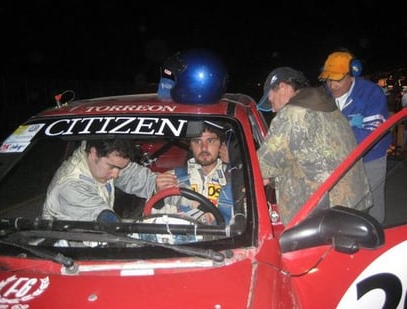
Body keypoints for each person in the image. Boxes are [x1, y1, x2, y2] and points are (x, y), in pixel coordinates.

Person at [257, 67, 372, 226]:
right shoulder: (328, 108)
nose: (273, 109)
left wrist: (234, 161)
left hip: (326, 219)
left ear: (283, 88)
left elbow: (261, 167)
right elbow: (311, 159)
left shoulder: (294, 114)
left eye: (271, 101)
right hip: (355, 205)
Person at [319, 50, 392, 223]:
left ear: (352, 73)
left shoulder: (371, 93)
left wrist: (333, 142)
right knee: (345, 203)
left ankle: (375, 240)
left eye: (337, 79)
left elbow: (371, 135)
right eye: (329, 79)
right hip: (340, 160)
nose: (332, 85)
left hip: (370, 158)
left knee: (372, 204)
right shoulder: (324, 95)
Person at [42, 139, 177, 221]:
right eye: (112, 167)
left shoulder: (104, 159)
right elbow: (107, 223)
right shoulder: (71, 186)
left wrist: (160, 186)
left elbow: (140, 178)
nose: (116, 174)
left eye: (120, 168)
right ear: (94, 154)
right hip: (68, 255)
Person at [154, 122, 234, 225]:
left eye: (210, 140)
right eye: (197, 141)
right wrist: (158, 196)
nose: (204, 148)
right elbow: (150, 220)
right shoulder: (172, 177)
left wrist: (236, 163)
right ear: (190, 146)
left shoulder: (237, 178)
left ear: (222, 145)